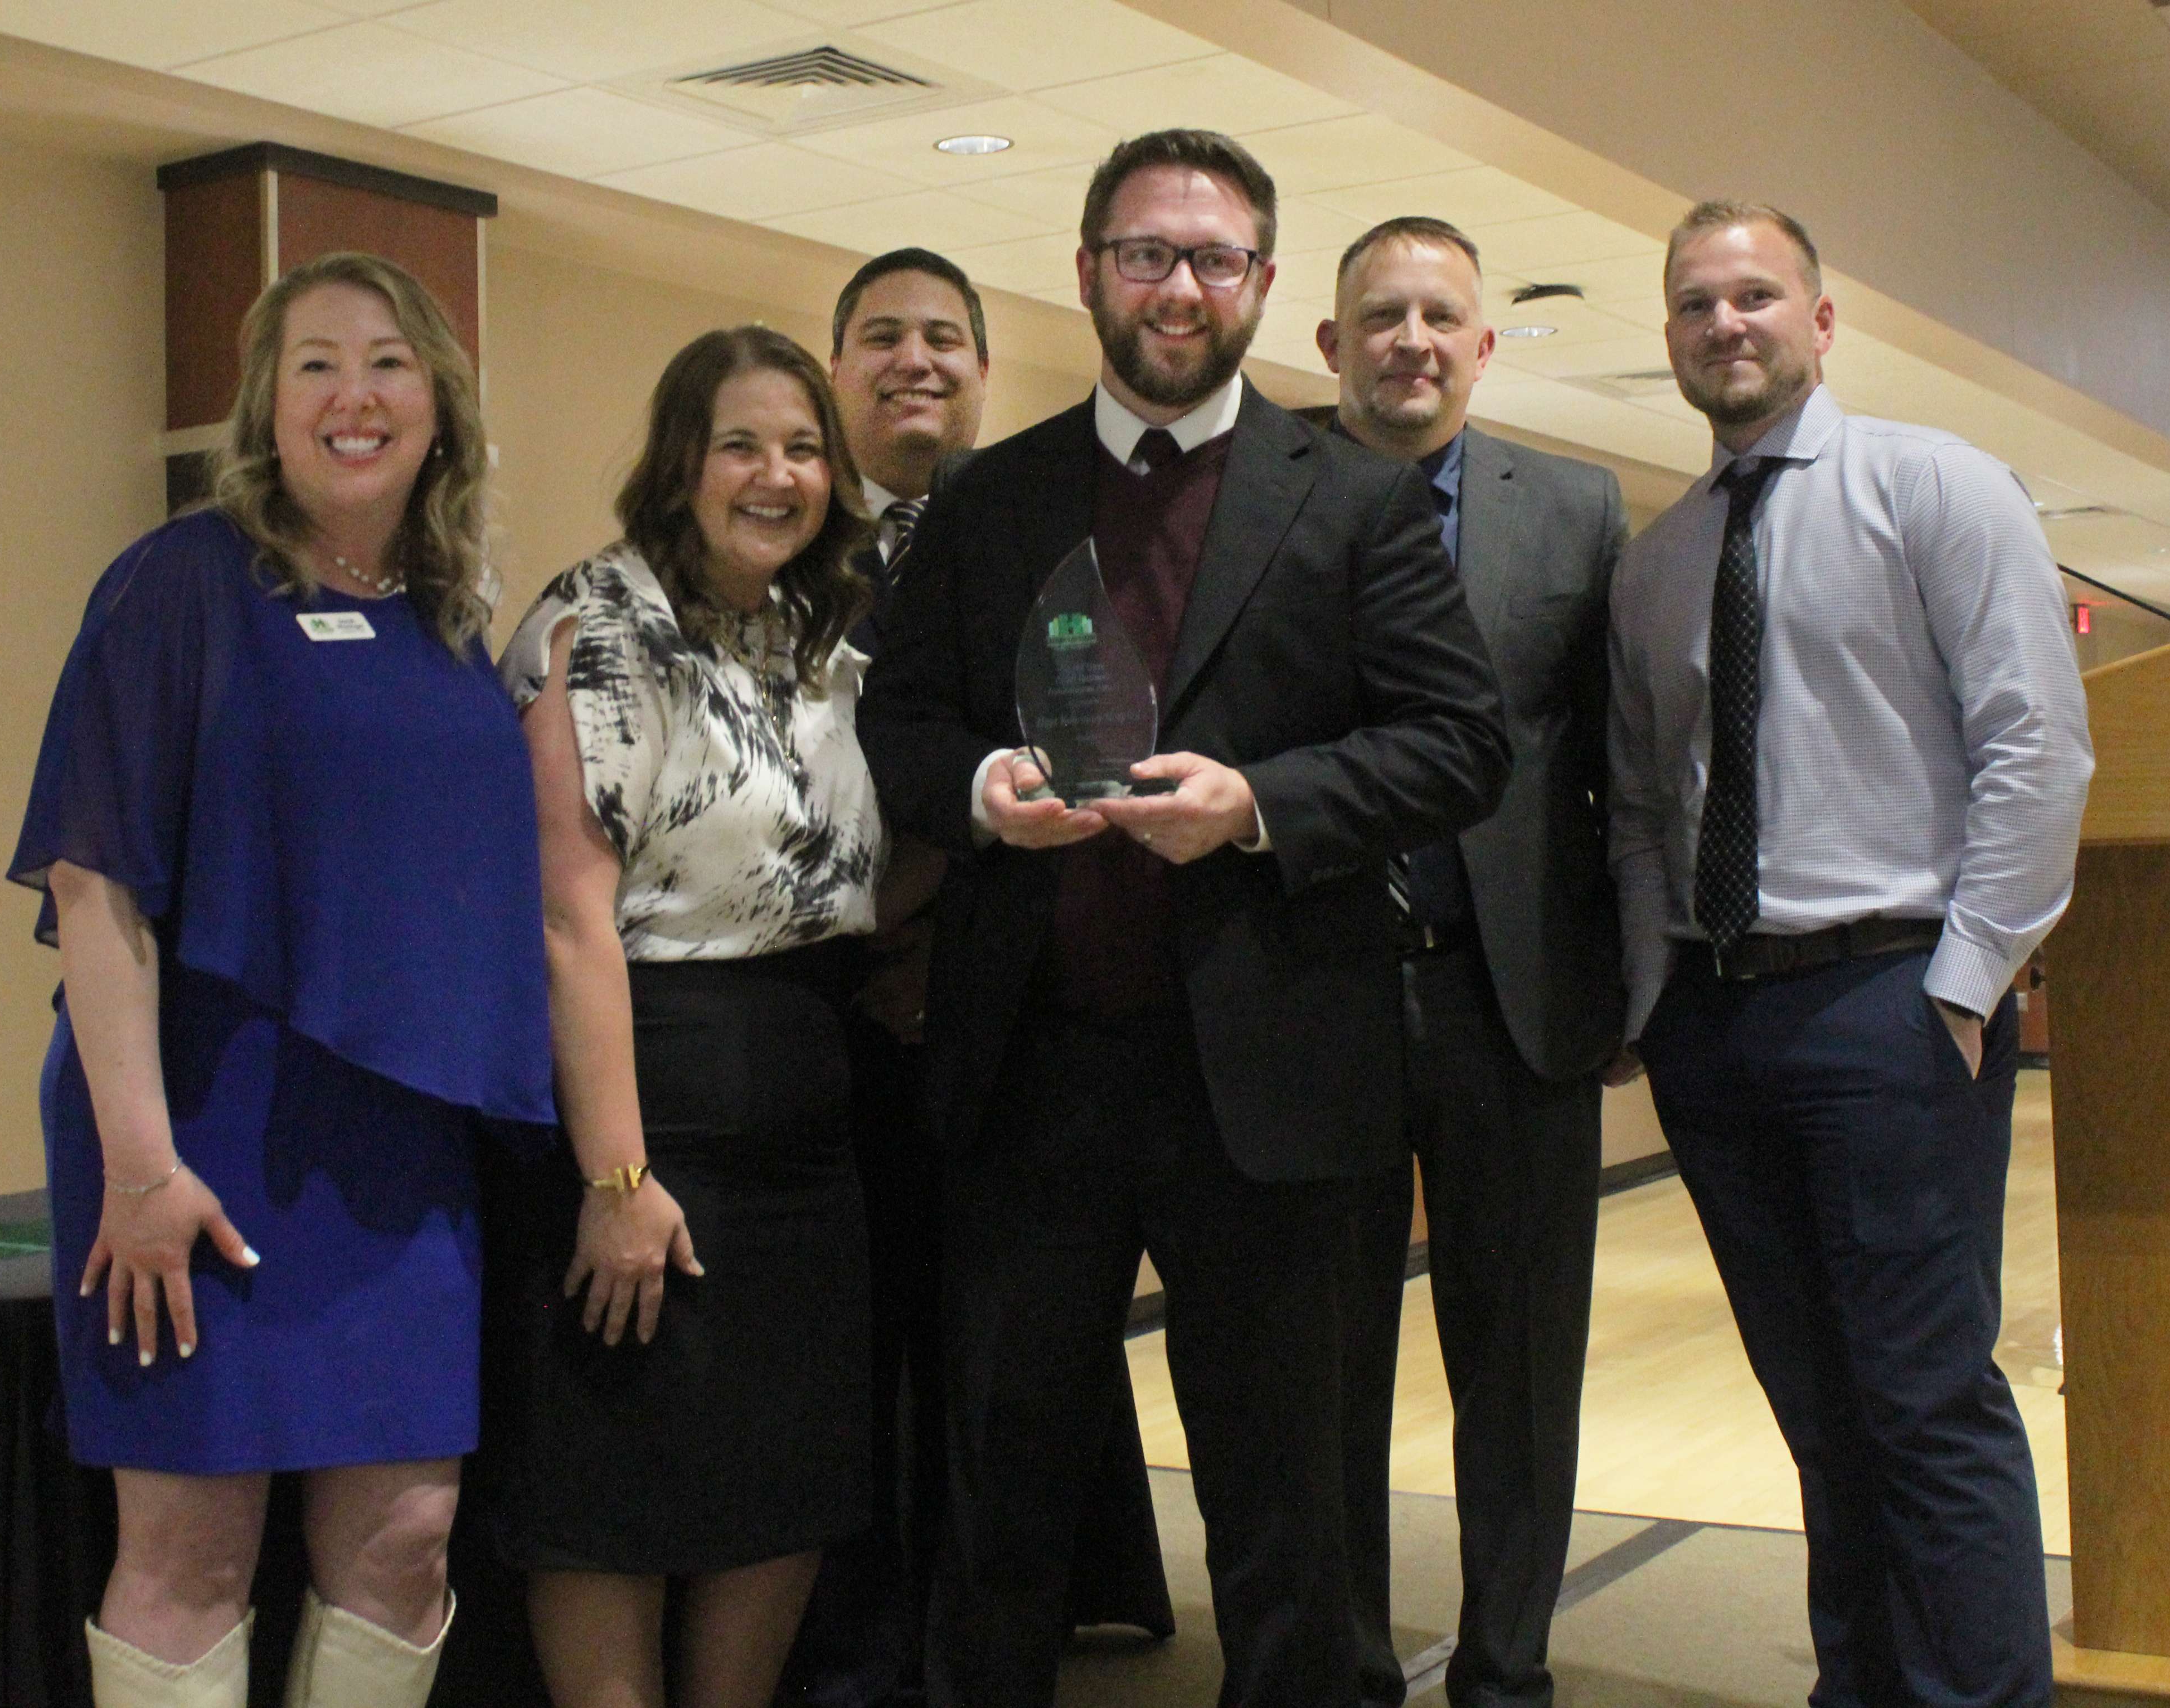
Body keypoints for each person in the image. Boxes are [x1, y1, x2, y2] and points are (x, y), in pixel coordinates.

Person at [857, 129, 1511, 1708]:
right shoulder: (990, 500)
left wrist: (1260, 802)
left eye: (1214, 258)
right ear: (1088, 271)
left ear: (1268, 290)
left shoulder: (1353, 501)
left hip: (1278, 1090)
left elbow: (1461, 742)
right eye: (1145, 253)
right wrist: (983, 788)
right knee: (999, 1497)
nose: (1177, 286)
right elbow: (904, 729)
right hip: (1033, 1079)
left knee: (1291, 1519)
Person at [6, 250, 556, 1707]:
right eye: (314, 363)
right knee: (189, 1543)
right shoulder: (181, 582)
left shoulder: (446, 618)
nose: (354, 395)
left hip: (398, 1146)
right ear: (266, 403)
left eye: (387, 361)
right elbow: (93, 874)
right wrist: (138, 1163)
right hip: (195, 1132)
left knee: (408, 1537)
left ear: (437, 398)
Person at [1608, 201, 2091, 1707]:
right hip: (1719, 1018)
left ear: (1821, 322)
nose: (1723, 323)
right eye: (1695, 303)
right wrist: (1651, 1000)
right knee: (1819, 1410)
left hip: (1891, 999)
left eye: (1755, 295)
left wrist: (1961, 987)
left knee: (1927, 1401)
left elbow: (2034, 744)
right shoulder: (1657, 560)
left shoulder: (1933, 487)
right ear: (1672, 338)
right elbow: (1638, 798)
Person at [788, 249, 1169, 1708]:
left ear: (983, 368)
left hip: (993, 995)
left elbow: (1076, 741)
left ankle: (992, 1622)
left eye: (944, 337)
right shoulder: (780, 539)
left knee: (992, 1351)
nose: (916, 362)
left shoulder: (1041, 531)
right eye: (881, 337)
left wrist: (937, 933)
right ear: (840, 371)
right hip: (819, 1003)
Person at [491, 324, 884, 1708]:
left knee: (779, 1488)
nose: (774, 474)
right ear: (680, 461)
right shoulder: (602, 627)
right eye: (740, 444)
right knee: (616, 1493)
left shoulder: (811, 637)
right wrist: (616, 1176)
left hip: (803, 1135)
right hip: (650, 1116)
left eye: (800, 448)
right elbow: (564, 918)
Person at [1313, 215, 1629, 1708]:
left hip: (1511, 999)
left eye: (1441, 316)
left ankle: (1507, 1664)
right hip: (1315, 999)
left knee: (1515, 1364)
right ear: (1328, 346)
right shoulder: (1263, 498)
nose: (1412, 342)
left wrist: (1631, 980)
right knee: (1324, 1373)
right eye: (1381, 317)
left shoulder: (1574, 509)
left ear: (1484, 346)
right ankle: (1346, 1663)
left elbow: (1620, 768)